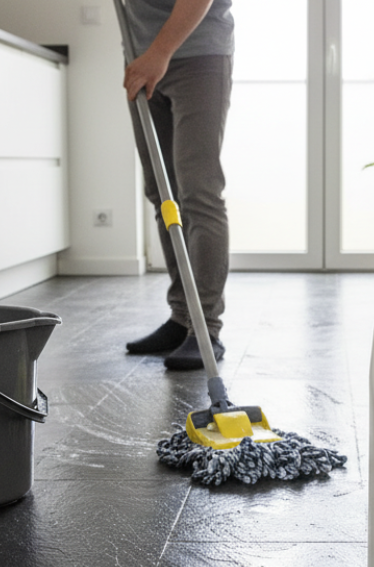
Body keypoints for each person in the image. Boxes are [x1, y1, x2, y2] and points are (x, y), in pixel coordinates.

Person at [123, 0, 234, 370]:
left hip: (197, 53)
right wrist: (146, 56)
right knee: (161, 192)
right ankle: (182, 317)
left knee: (199, 193)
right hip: (140, 57)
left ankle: (205, 329)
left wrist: (159, 53)